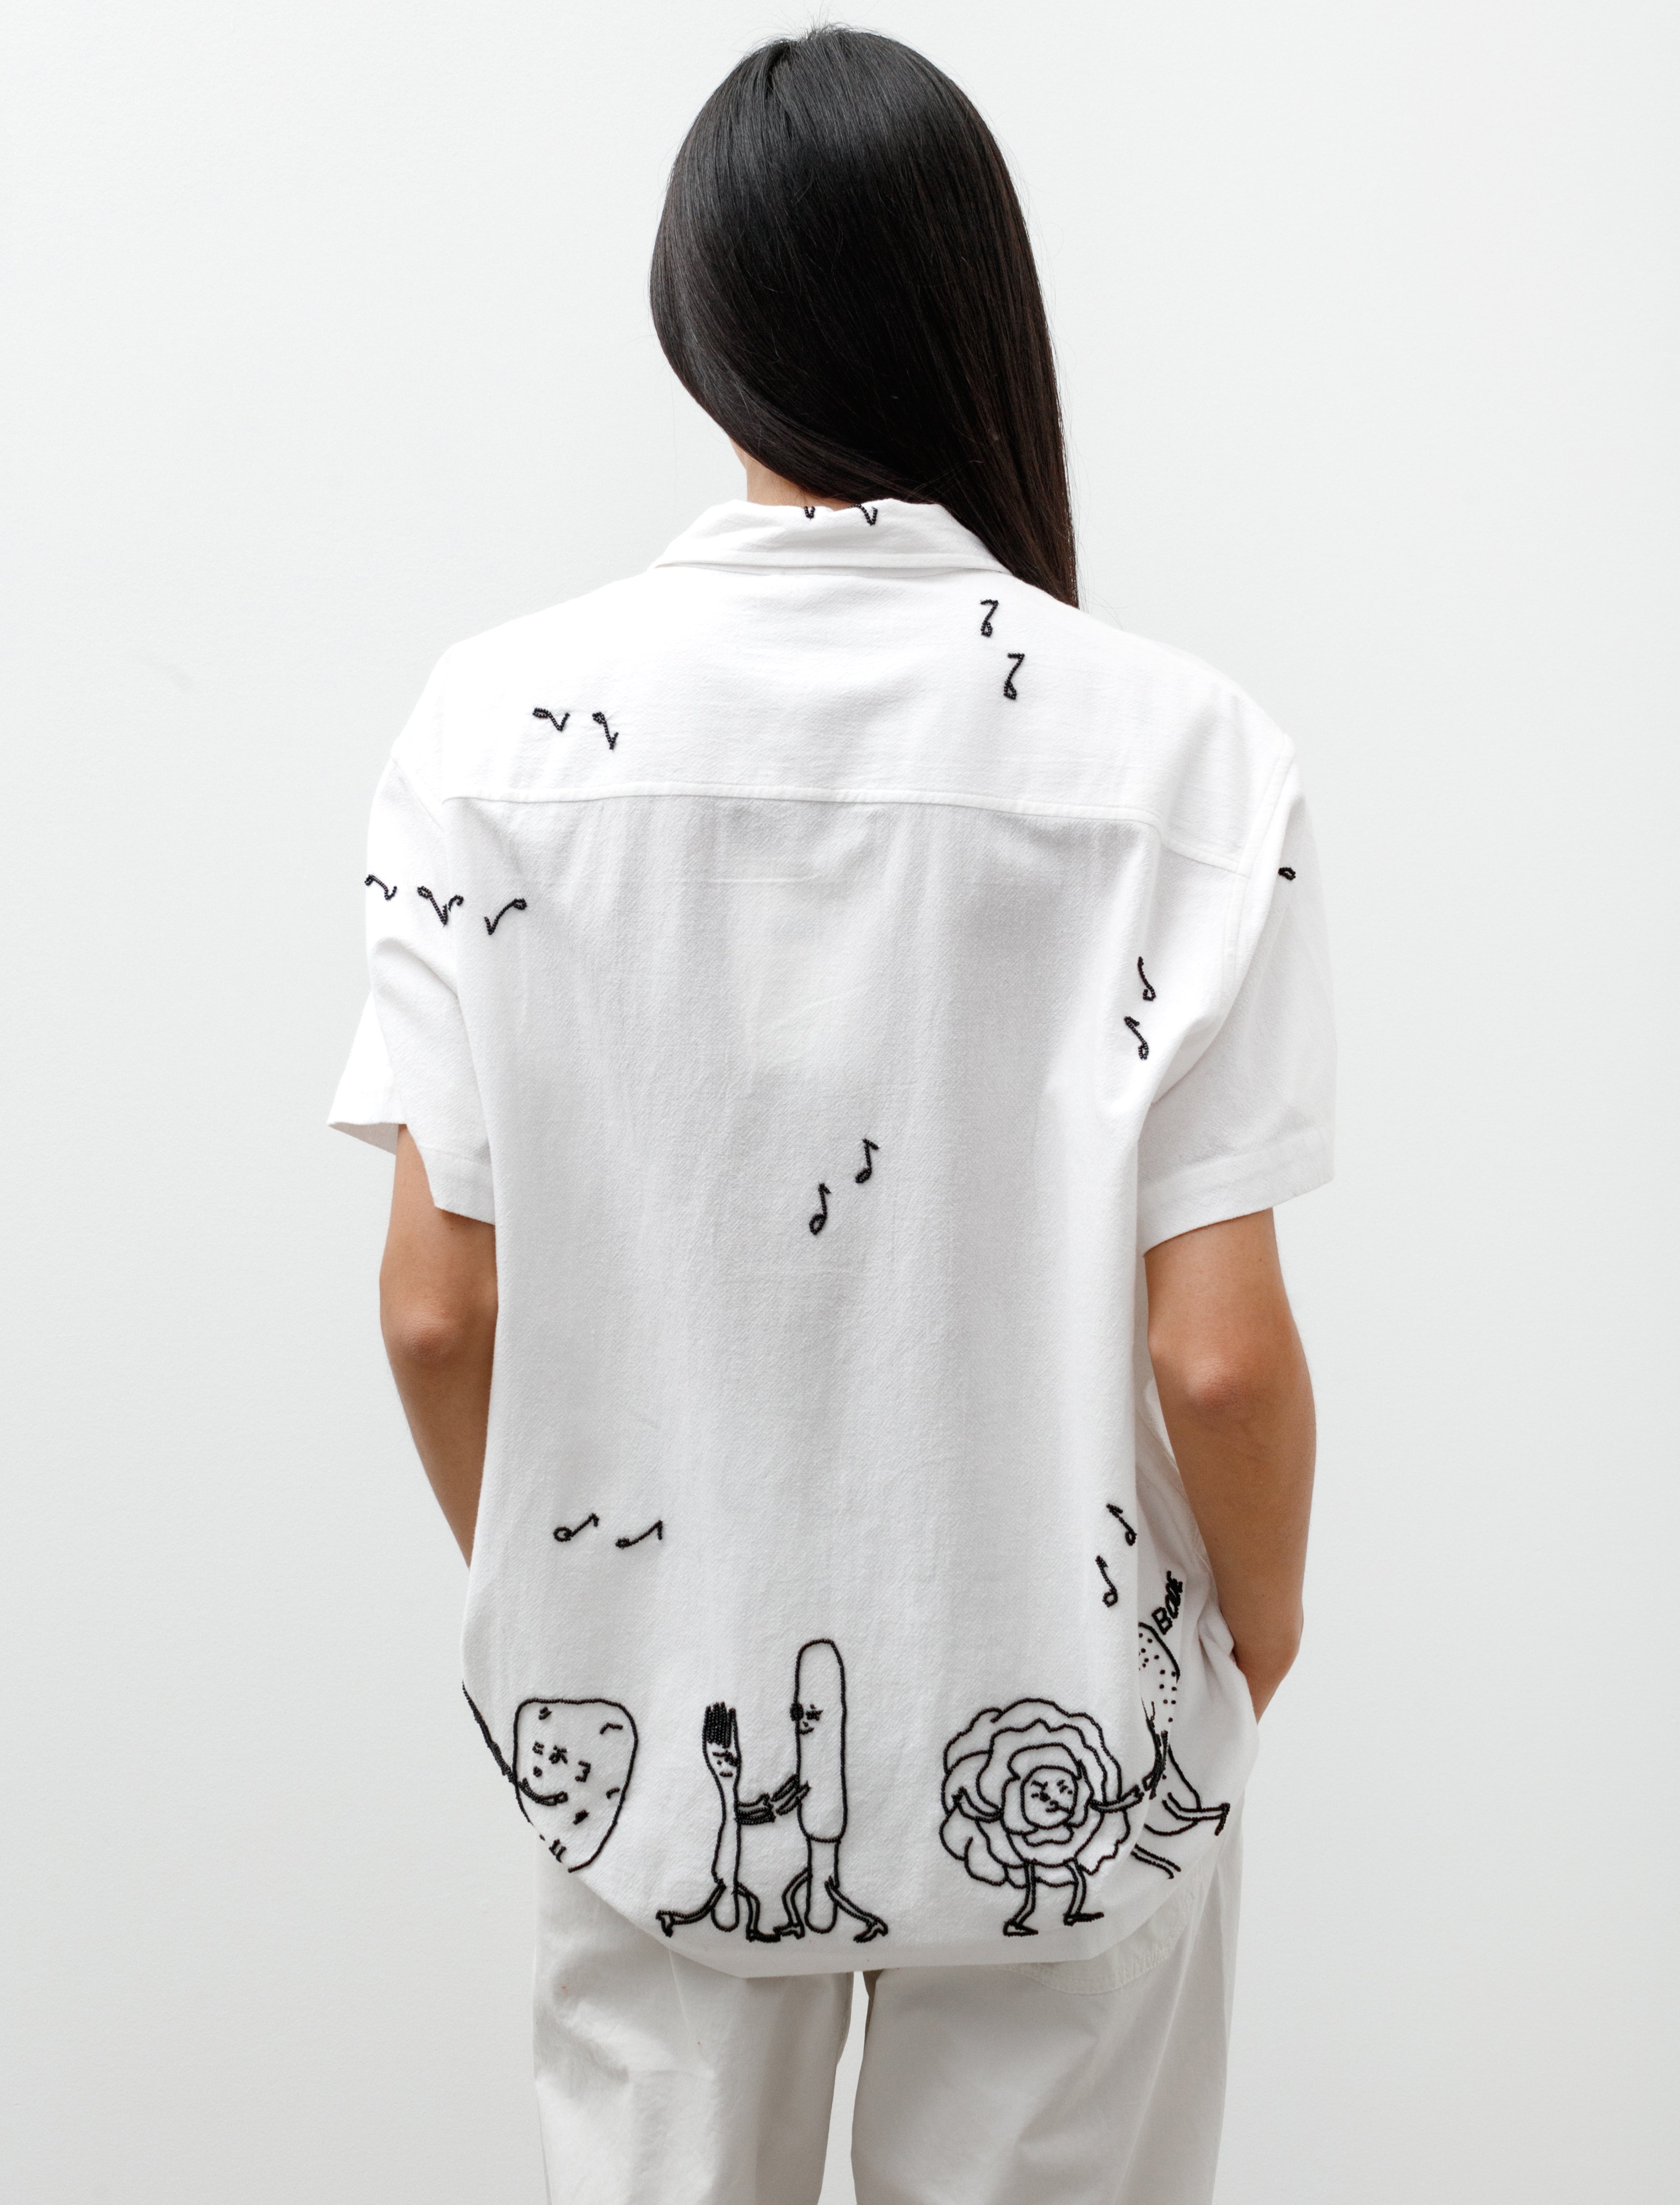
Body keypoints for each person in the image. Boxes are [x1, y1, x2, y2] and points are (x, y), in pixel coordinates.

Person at [329, 26, 1332, 2205]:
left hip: (650, 1751)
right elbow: (1224, 1362)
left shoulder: (490, 736)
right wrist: (1252, 1649)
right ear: (981, 313)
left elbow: (434, 1314)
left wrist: (590, 1611)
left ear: (699, 324)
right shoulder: (1186, 755)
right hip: (1079, 1727)